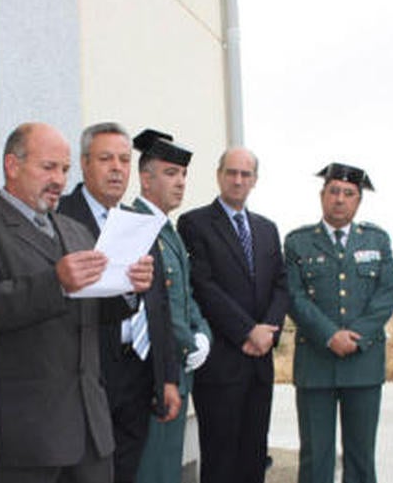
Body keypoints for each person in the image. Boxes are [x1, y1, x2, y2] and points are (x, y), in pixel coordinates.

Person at [0, 122, 154, 483]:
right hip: (29, 438)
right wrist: (55, 283)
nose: (59, 180)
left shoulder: (75, 231)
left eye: (64, 169)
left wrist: (127, 287)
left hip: (90, 430)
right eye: (48, 167)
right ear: (12, 166)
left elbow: (91, 309)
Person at [57, 123, 181, 483]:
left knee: (126, 471)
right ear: (84, 164)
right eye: (105, 158)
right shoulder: (60, 218)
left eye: (124, 160)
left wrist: (167, 377)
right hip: (85, 377)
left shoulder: (138, 222)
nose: (116, 168)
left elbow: (158, 304)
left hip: (137, 375)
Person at [177, 147, 290, 483]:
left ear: (255, 180)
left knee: (254, 456)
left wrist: (267, 332)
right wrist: (246, 331)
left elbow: (281, 285)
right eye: (231, 172)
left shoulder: (267, 228)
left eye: (245, 174)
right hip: (223, 362)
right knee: (221, 458)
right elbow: (203, 285)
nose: (238, 180)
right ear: (219, 175)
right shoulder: (194, 223)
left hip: (260, 363)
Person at [284, 163, 393, 483]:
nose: (340, 199)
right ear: (322, 196)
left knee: (361, 458)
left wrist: (357, 335)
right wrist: (329, 335)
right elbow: (293, 296)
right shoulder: (298, 242)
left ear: (358, 201)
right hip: (315, 364)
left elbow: (388, 292)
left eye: (349, 194)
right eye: (333, 192)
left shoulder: (376, 240)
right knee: (315, 458)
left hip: (363, 363)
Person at [127, 129, 212, 483]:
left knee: (168, 467)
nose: (180, 183)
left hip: (179, 369)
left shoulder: (169, 231)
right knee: (151, 468)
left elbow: (185, 297)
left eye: (183, 175)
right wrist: (188, 342)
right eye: (170, 173)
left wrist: (203, 334)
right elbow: (153, 304)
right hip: (153, 372)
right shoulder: (134, 226)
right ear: (146, 179)